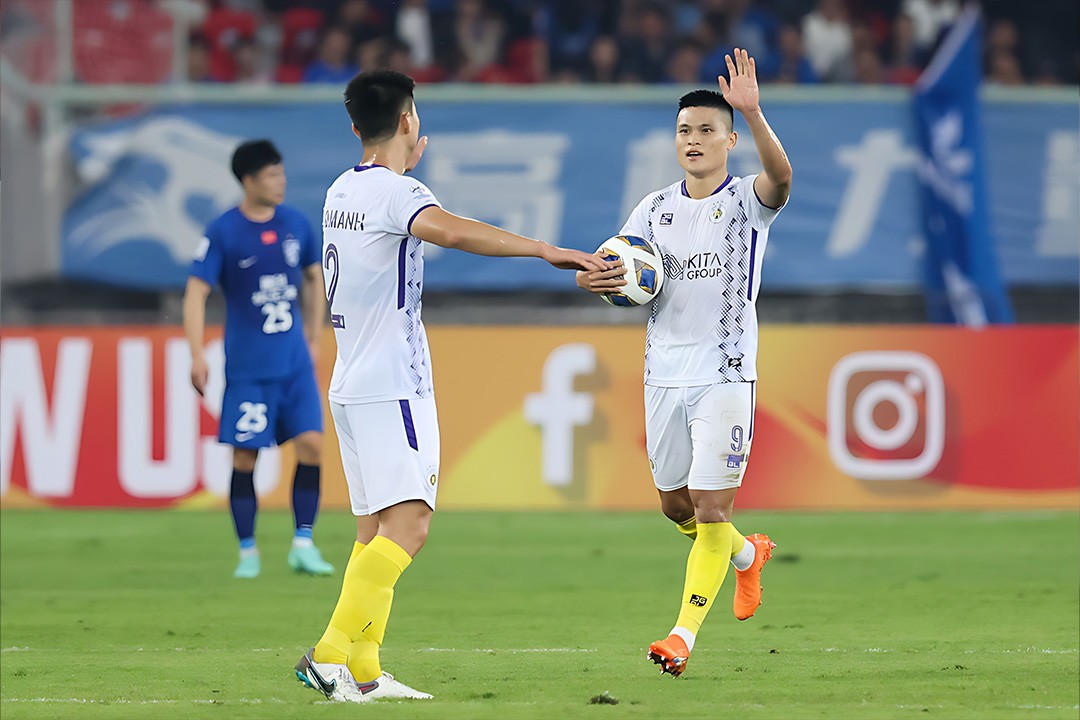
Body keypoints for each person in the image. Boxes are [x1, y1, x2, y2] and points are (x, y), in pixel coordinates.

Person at [293, 70, 609, 703]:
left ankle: (363, 670)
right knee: (409, 528)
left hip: (351, 381)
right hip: (391, 383)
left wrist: (405, 169)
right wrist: (546, 250)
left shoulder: (340, 190)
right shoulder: (396, 192)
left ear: (357, 127)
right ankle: (327, 654)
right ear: (408, 121)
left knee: (373, 531)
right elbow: (453, 232)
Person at [576, 48, 792, 677]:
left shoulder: (749, 199)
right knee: (677, 507)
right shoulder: (652, 210)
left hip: (725, 372)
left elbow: (782, 179)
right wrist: (602, 281)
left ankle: (682, 636)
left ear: (728, 139)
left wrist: (754, 112)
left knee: (710, 503)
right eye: (684, 131)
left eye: (706, 130)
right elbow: (623, 274)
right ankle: (746, 558)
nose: (693, 140)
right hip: (662, 373)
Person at [183, 140, 333, 580]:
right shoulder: (223, 232)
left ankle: (303, 543)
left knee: (312, 445)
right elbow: (196, 291)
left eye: (282, 173)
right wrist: (196, 352)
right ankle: (248, 551)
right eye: (272, 175)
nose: (281, 181)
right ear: (248, 181)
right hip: (249, 369)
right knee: (246, 459)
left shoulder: (296, 224)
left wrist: (314, 333)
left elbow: (312, 274)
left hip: (294, 364)